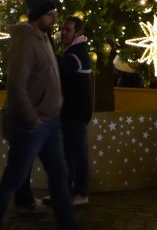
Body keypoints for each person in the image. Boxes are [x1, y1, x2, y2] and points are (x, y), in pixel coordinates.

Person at [0, 0, 79, 230]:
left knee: (59, 176)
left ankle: (68, 224)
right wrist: (31, 119)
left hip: (51, 122)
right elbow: (17, 84)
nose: (54, 18)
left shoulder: (44, 39)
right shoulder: (26, 41)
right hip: (33, 125)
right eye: (50, 14)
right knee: (14, 178)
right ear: (39, 15)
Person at [58, 16, 92, 205]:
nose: (63, 32)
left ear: (78, 33)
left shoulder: (76, 54)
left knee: (77, 153)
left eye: (68, 30)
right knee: (67, 153)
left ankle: (80, 193)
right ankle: (66, 191)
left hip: (75, 113)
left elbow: (58, 69)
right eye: (63, 29)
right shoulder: (70, 51)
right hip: (69, 112)